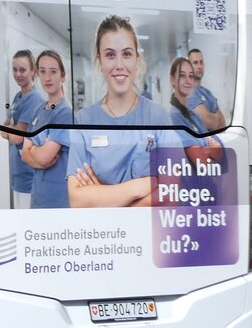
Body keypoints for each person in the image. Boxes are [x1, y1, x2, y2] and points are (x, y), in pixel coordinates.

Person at [66, 16, 179, 208]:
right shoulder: (84, 120)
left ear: (137, 60)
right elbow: (77, 199)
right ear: (99, 62)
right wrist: (141, 186)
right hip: (104, 235)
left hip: (149, 233)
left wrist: (102, 195)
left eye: (126, 54)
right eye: (110, 55)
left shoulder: (157, 116)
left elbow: (172, 191)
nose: (119, 64)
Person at [21, 50, 72, 209]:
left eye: (53, 72)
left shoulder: (65, 113)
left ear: (62, 76)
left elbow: (43, 157)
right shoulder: (38, 110)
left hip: (58, 198)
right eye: (42, 71)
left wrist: (34, 150)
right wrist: (38, 153)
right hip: (38, 196)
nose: (47, 78)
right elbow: (24, 154)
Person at [0, 49, 39, 208]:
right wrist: (11, 130)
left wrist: (10, 131)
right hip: (16, 171)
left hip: (27, 174)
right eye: (15, 69)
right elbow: (5, 127)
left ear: (33, 71)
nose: (18, 74)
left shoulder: (34, 99)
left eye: (22, 70)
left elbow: (17, 137)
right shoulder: (17, 97)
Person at [186, 48, 226, 129]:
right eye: (195, 63)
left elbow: (223, 123)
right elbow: (208, 121)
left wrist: (213, 118)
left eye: (201, 62)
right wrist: (216, 117)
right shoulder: (188, 93)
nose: (199, 66)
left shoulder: (207, 93)